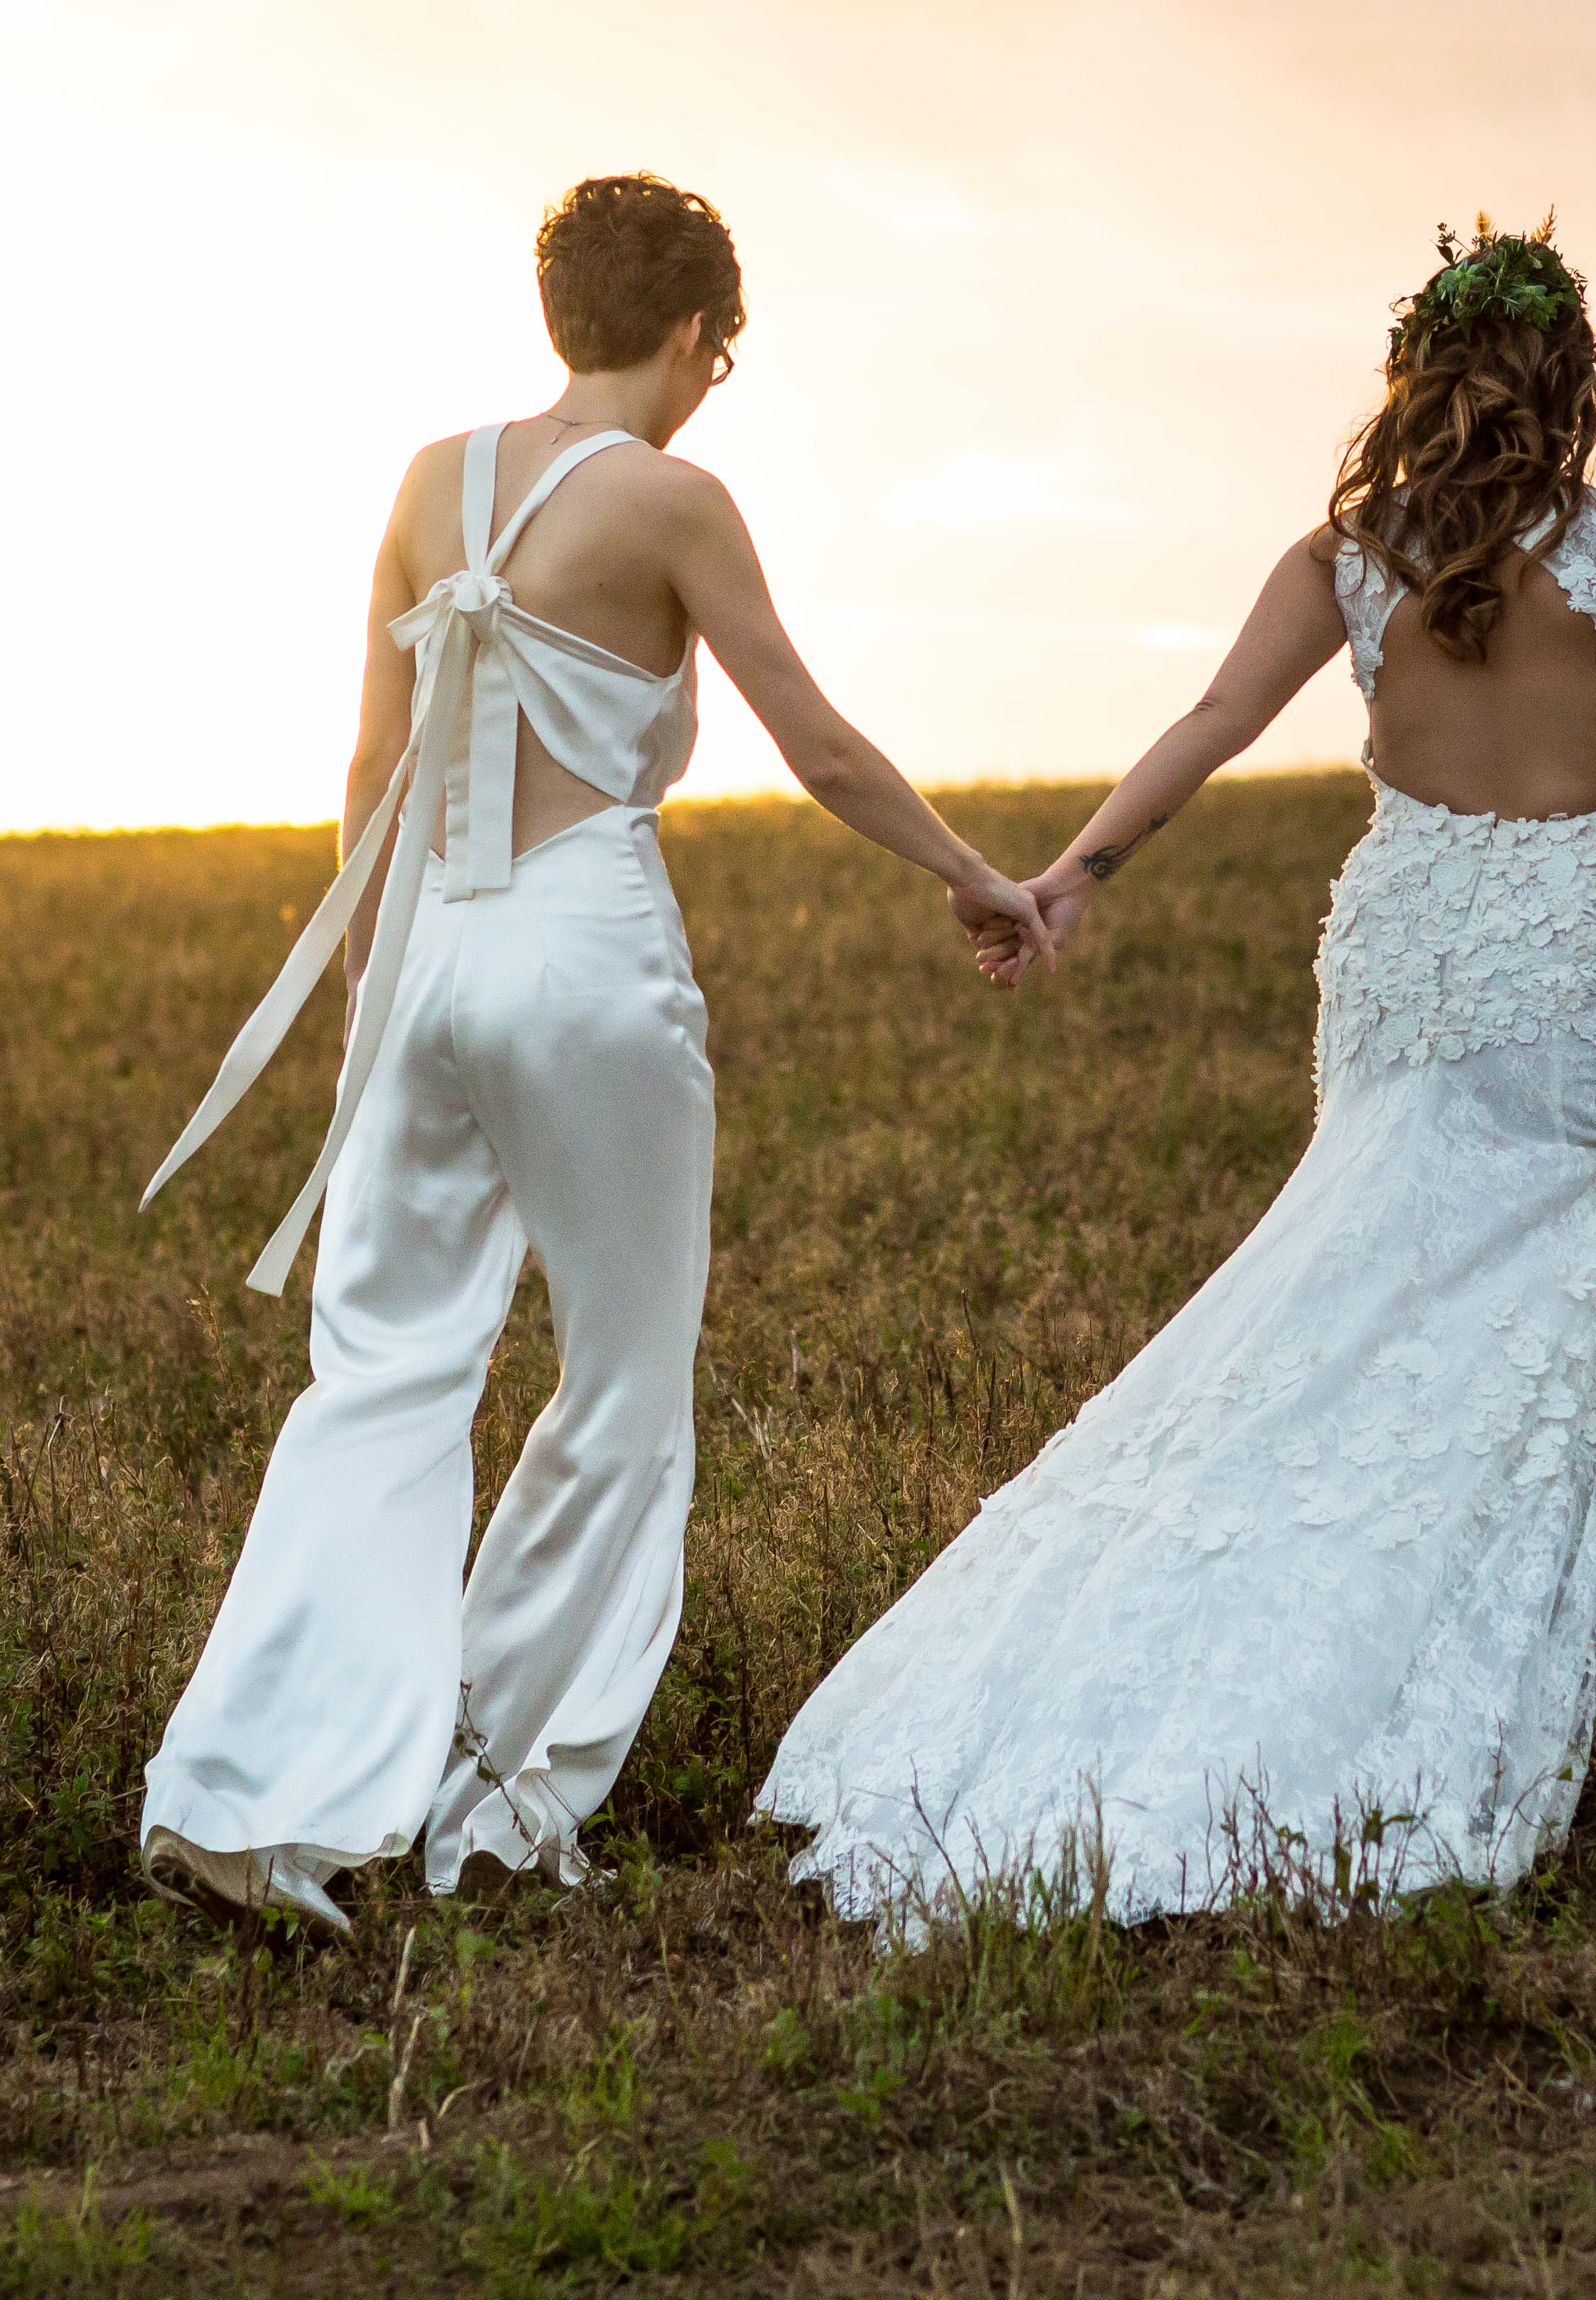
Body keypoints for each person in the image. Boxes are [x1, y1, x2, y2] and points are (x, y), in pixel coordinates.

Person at [757, 215, 1596, 1927]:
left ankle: (1210, 1631)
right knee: (1502, 1343)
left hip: (1414, 971)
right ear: (1575, 387)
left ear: (1414, 379)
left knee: (1338, 1302)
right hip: (1568, 982)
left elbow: (1212, 724)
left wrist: (1075, 877)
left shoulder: (1349, 559)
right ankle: (1386, 1675)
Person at [135, 173, 1053, 1928]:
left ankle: (250, 1800)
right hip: (583, 958)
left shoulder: (426, 480)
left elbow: (368, 771)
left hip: (421, 961)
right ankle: (499, 1804)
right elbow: (824, 746)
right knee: (623, 1383)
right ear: (700, 335)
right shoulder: (676, 503)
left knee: (382, 1379)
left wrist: (372, 997)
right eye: (728, 349)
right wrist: (975, 877)